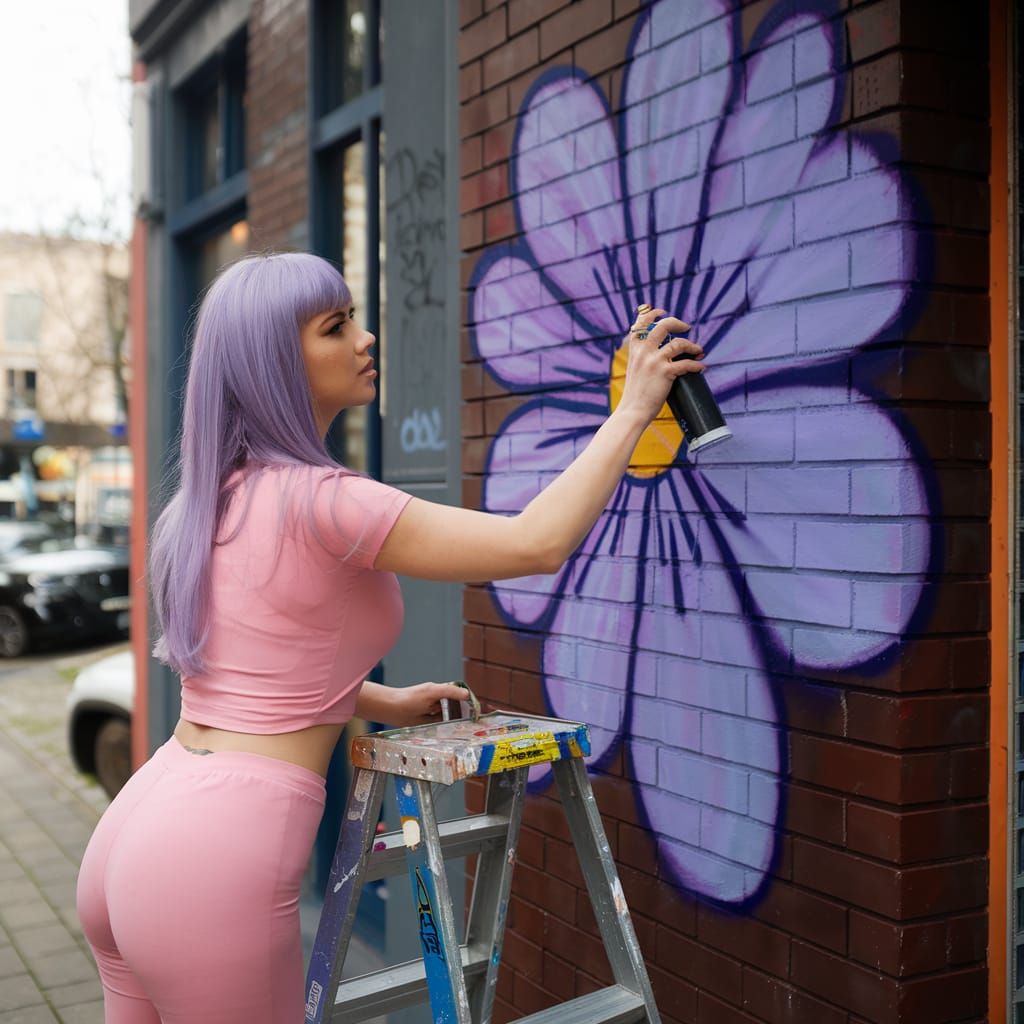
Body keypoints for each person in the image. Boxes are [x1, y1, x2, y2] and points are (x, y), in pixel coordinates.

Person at [75, 252, 703, 1023]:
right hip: (209, 864)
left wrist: (379, 697)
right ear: (277, 363)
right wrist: (634, 408)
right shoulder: (326, 503)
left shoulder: (205, 505)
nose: (367, 338)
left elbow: (253, 667)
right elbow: (532, 545)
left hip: (139, 825)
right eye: (337, 327)